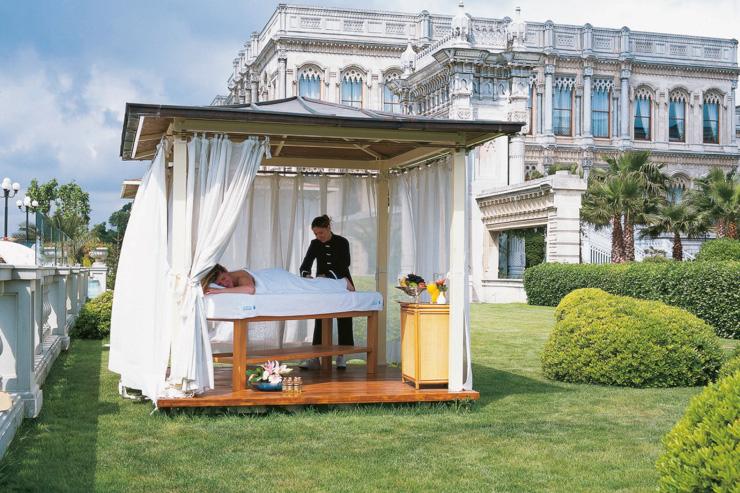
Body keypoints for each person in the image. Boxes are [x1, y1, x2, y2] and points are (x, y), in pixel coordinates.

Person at [298, 215, 354, 369]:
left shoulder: (342, 242)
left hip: (342, 282)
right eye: (315, 234)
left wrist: (328, 275)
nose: (318, 236)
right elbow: (305, 265)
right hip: (322, 285)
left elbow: (345, 264)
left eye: (320, 233)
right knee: (320, 318)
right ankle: (316, 356)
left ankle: (342, 356)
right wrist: (306, 275)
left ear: (328, 228)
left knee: (345, 317)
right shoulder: (314, 244)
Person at [201, 264, 355, 295]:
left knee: (310, 286)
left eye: (223, 278)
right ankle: (340, 283)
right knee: (310, 284)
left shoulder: (240, 276)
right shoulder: (227, 280)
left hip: (278, 279)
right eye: (220, 284)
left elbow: (250, 289)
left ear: (226, 271)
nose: (224, 284)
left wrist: (217, 291)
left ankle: (343, 282)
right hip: (273, 278)